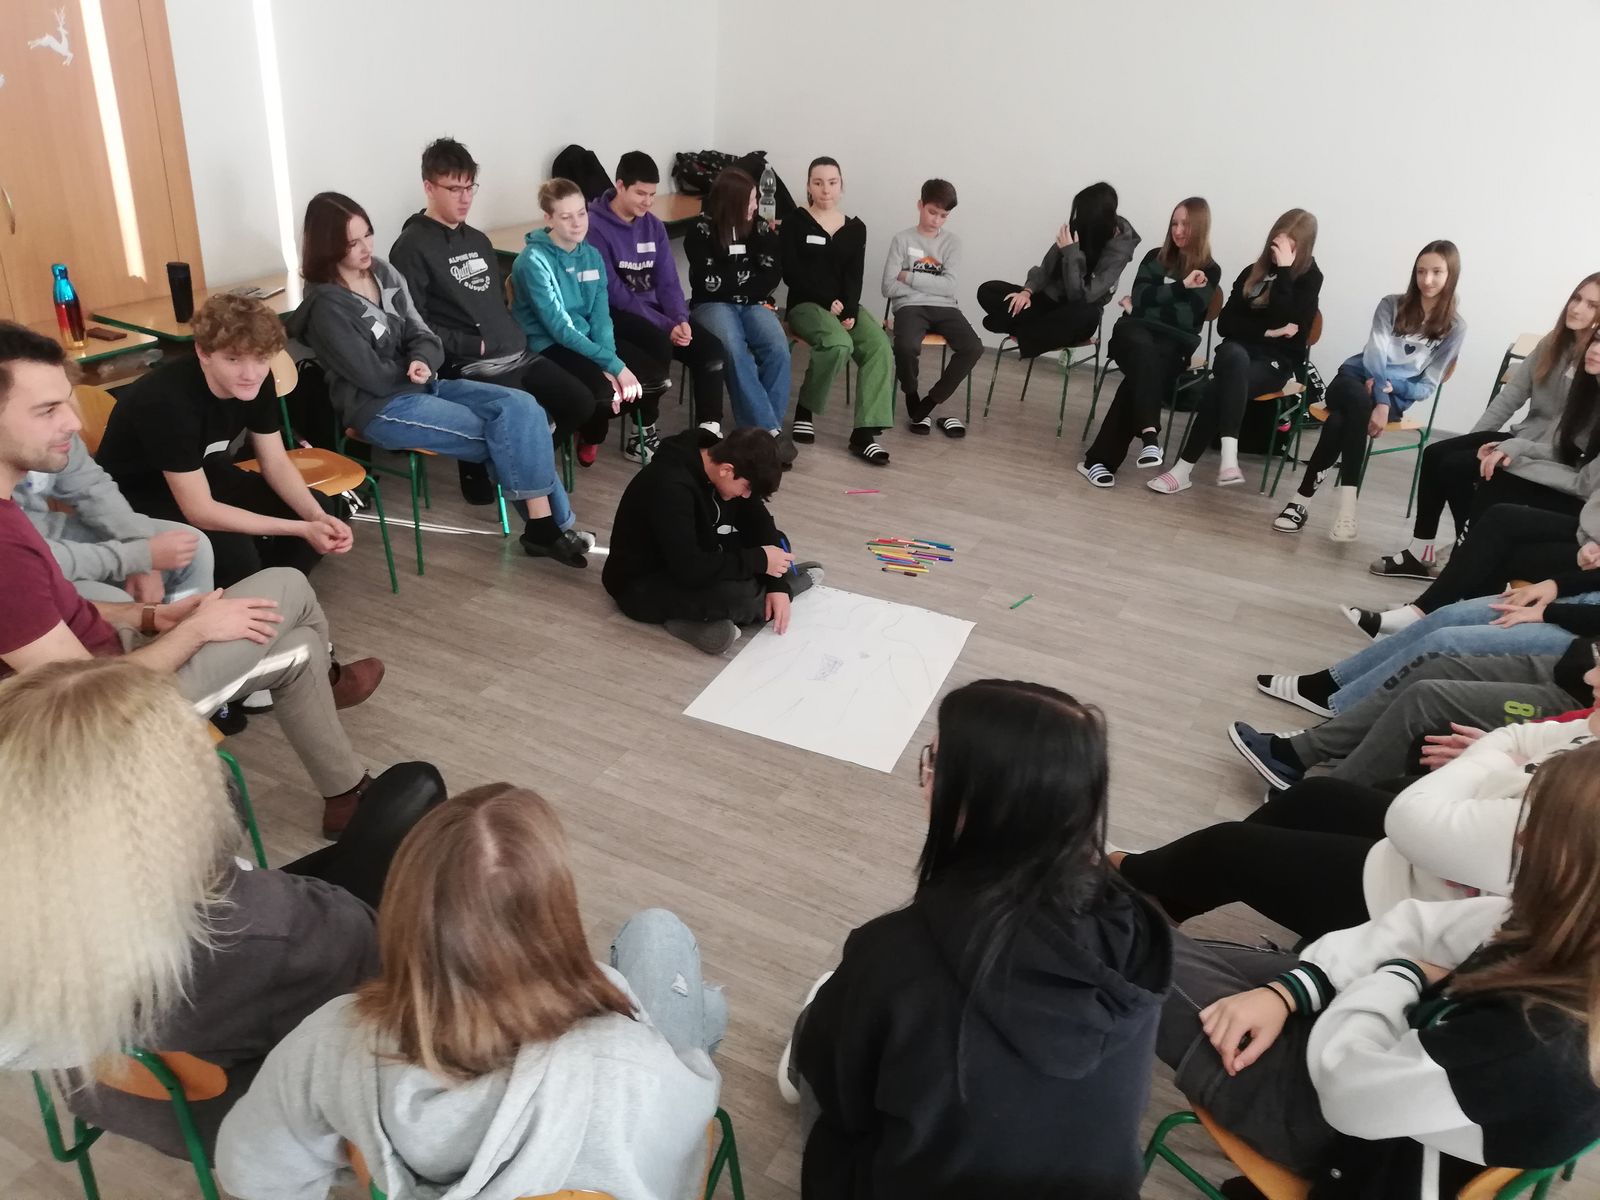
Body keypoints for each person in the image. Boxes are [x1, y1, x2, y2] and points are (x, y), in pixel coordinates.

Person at [0, 660, 446, 1160]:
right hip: (250, 1116)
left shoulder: (27, 940)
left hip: (113, 1092)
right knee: (414, 790)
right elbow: (385, 999)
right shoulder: (278, 931)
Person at [215, 784, 722, 1200]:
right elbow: (684, 1142)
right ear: (555, 911)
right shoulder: (624, 1059)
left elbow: (251, 1175)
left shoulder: (332, 1040)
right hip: (620, 1081)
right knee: (659, 934)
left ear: (404, 911)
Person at [783, 680, 1170, 1198]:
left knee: (817, 1037)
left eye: (934, 763)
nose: (925, 778)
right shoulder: (1134, 928)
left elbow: (843, 1096)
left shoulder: (894, 958)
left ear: (976, 802)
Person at [1153, 748, 1600, 1197]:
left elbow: (1349, 1095)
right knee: (1155, 950)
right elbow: (1416, 929)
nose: (1520, 838)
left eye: (1541, 830)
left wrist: (1404, 975)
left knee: (1131, 948)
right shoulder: (1562, 927)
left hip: (1339, 1133)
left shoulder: (1533, 1041)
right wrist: (1290, 992)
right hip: (1378, 1064)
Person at [0, 321, 386, 833]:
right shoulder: (6, 547)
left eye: (67, 402)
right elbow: (82, 696)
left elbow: (43, 614)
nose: (73, 421)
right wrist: (195, 631)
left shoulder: (10, 520)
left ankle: (347, 792)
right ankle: (335, 741)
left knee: (298, 645)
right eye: (48, 410)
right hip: (106, 721)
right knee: (289, 589)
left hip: (108, 657)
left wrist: (150, 616)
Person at [1113, 680, 1600, 943]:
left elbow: (1412, 820)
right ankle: (1159, 904)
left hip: (1428, 919)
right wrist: (1497, 759)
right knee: (1315, 798)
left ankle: (1124, 876)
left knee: (1228, 849)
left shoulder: (1577, 814)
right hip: (1441, 865)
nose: (1591, 678)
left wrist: (1486, 759)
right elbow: (1525, 735)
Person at [287, 191, 592, 567]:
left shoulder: (383, 272)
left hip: (422, 384)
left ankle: (544, 529)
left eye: (368, 234)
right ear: (328, 246)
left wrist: (421, 358)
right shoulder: (327, 307)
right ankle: (551, 529)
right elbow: (373, 378)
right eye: (353, 242)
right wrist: (414, 366)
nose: (366, 247)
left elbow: (424, 333)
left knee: (524, 408)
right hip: (379, 407)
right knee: (509, 432)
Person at [1345, 337, 1600, 639]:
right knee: (1490, 504)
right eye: (1597, 340)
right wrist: (1514, 447)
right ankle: (1431, 607)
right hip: (1587, 517)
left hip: (1587, 522)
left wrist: (1517, 461)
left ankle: (1436, 611)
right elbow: (1571, 453)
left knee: (1497, 509)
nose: (1595, 349)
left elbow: (1583, 482)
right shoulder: (1587, 386)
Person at [387, 137, 597, 503]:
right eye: (455, 189)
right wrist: (473, 344)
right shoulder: (411, 248)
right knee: (529, 417)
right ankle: (505, 473)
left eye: (470, 187)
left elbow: (495, 302)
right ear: (429, 188)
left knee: (580, 402)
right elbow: (413, 324)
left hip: (515, 352)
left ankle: (513, 465)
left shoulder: (478, 240)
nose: (465, 198)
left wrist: (509, 333)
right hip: (470, 363)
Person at [95, 294, 353, 588]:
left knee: (319, 507)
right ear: (204, 353)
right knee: (235, 552)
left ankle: (272, 595)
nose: (250, 374)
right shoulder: (166, 401)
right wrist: (301, 529)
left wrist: (315, 517)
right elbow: (200, 511)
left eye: (261, 359)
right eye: (233, 359)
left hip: (203, 470)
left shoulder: (258, 380)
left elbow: (275, 462)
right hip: (137, 492)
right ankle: (244, 600)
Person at [1372, 272, 1600, 578]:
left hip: (1555, 456)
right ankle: (1422, 551)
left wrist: (1504, 449)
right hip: (1523, 438)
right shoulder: (1553, 343)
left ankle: (1470, 553)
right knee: (1437, 454)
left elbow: (1573, 443)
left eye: (1592, 305)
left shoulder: (1595, 360)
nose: (1578, 308)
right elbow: (1511, 397)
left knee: (1458, 467)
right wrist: (1474, 440)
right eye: (1576, 298)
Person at [1230, 632, 1594, 792]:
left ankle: (1324, 798)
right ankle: (1299, 753)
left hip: (1579, 697)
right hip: (1575, 663)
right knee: (1435, 662)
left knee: (1427, 697)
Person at [1274, 242, 1466, 540]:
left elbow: (1427, 385)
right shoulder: (1391, 304)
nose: (1427, 280)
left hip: (1394, 396)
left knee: (1340, 420)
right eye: (1421, 271)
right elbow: (1374, 355)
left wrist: (1388, 390)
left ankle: (1301, 501)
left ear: (1451, 275)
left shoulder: (1455, 327)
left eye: (1437, 272)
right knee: (1359, 405)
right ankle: (1347, 510)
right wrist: (1381, 400)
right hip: (1354, 378)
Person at [603, 426, 821, 655]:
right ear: (727, 470)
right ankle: (783, 589)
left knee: (776, 542)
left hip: (697, 556)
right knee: (740, 596)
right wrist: (761, 563)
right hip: (643, 585)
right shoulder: (670, 486)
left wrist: (777, 586)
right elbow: (689, 568)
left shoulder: (727, 461)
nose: (746, 496)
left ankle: (713, 615)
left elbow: (758, 522)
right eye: (747, 488)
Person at [1149, 209, 1322, 494]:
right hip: (1236, 353)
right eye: (1276, 244)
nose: (1278, 253)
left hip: (1274, 363)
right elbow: (1226, 324)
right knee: (1233, 355)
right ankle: (1226, 458)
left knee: (1219, 387)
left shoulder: (1309, 279)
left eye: (1288, 248)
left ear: (1302, 249)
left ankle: (1184, 469)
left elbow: (1288, 322)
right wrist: (1268, 332)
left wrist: (1284, 273)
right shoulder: (1252, 272)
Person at [1258, 575, 1600, 719]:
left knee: (1446, 642)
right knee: (1449, 615)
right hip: (1587, 597)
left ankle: (1344, 708)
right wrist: (1556, 584)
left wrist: (1550, 611)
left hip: (1589, 636)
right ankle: (1332, 682)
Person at [511, 177, 670, 467]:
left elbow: (600, 315)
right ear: (548, 218)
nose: (577, 223)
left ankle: (591, 431)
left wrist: (609, 360)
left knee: (656, 381)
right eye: (566, 217)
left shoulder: (591, 255)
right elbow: (560, 329)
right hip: (548, 344)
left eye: (582, 213)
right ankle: (588, 433)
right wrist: (613, 366)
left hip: (583, 337)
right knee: (603, 395)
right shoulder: (532, 261)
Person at [1080, 197, 1220, 485]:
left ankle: (1098, 462)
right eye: (1174, 223)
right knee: (1145, 352)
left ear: (1200, 227)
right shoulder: (1155, 257)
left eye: (1185, 225)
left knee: (1142, 372)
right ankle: (1149, 435)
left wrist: (1147, 303)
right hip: (1133, 333)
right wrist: (1181, 287)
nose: (1177, 231)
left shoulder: (1210, 269)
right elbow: (1141, 297)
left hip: (1174, 344)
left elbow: (1187, 317)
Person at [586, 151, 728, 434]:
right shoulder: (594, 227)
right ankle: (643, 430)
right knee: (658, 344)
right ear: (620, 186)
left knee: (711, 349)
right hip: (618, 315)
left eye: (652, 194)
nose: (648, 202)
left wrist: (680, 318)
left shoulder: (653, 226)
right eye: (641, 193)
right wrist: (665, 325)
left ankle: (709, 430)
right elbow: (616, 293)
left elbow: (668, 283)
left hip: (659, 316)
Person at [781, 156, 895, 464]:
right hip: (806, 305)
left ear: (841, 185)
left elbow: (854, 276)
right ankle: (805, 409)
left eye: (832, 182)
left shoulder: (856, 228)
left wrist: (850, 312)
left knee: (879, 346)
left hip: (844, 306)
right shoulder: (795, 221)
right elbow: (791, 273)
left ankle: (864, 434)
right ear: (808, 186)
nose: (825, 189)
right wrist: (825, 300)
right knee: (837, 343)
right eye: (818, 183)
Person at [14, 430, 213, 602]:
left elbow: (91, 486)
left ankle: (193, 627)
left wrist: (139, 543)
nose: (74, 422)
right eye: (48, 409)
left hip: (47, 534)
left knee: (193, 547)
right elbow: (18, 560)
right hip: (21, 567)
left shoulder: (56, 429)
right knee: (114, 602)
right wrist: (136, 557)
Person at [683, 168, 794, 449]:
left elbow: (772, 272)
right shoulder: (699, 230)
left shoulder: (759, 227)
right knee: (733, 347)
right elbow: (708, 282)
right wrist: (747, 278)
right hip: (711, 305)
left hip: (752, 304)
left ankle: (758, 431)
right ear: (731, 202)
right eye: (751, 200)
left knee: (777, 347)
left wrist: (736, 283)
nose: (756, 205)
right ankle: (768, 434)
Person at [976, 181, 1139, 363]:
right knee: (988, 290)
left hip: (1075, 312)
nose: (1077, 217)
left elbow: (1080, 296)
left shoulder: (1119, 252)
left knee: (1085, 314)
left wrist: (1072, 254)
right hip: (1047, 303)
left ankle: (1023, 329)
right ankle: (1033, 331)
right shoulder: (1078, 227)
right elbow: (1045, 269)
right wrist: (1026, 292)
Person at [880, 178, 982, 437]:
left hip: (945, 307)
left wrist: (908, 276)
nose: (936, 220)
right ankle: (911, 392)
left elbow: (950, 287)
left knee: (973, 347)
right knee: (905, 346)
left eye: (943, 216)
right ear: (920, 205)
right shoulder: (902, 239)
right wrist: (933, 285)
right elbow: (888, 287)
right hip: (909, 307)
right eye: (932, 212)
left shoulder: (952, 243)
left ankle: (931, 401)